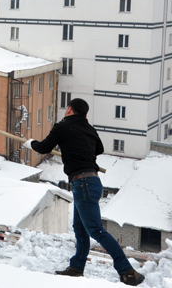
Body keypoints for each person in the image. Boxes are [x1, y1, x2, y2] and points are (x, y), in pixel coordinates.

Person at [23, 98, 144, 286]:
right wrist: (77, 149)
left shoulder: (62, 126)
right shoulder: (89, 129)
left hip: (83, 183)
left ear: (69, 109)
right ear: (85, 114)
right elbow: (100, 149)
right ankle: (77, 268)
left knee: (95, 230)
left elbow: (45, 147)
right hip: (92, 181)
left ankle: (127, 271)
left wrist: (31, 143)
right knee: (80, 229)